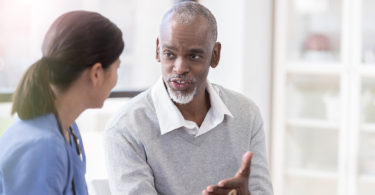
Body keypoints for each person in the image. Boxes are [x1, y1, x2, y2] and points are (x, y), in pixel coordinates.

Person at [104, 2, 273, 195]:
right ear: (158, 49)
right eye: (170, 54)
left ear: (215, 55)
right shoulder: (126, 128)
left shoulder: (246, 114)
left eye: (193, 56)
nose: (179, 68)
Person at [0, 10, 124, 195]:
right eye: (117, 67)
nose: (116, 79)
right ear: (96, 73)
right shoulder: (42, 148)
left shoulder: (67, 128)